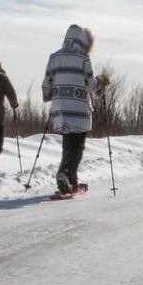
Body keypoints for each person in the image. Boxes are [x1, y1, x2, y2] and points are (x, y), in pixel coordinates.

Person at [41, 24, 95, 195]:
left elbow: (46, 85)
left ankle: (72, 181)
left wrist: (51, 96)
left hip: (60, 108)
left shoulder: (54, 57)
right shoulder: (83, 58)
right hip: (78, 108)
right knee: (77, 146)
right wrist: (102, 83)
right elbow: (93, 86)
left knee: (68, 145)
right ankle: (63, 174)